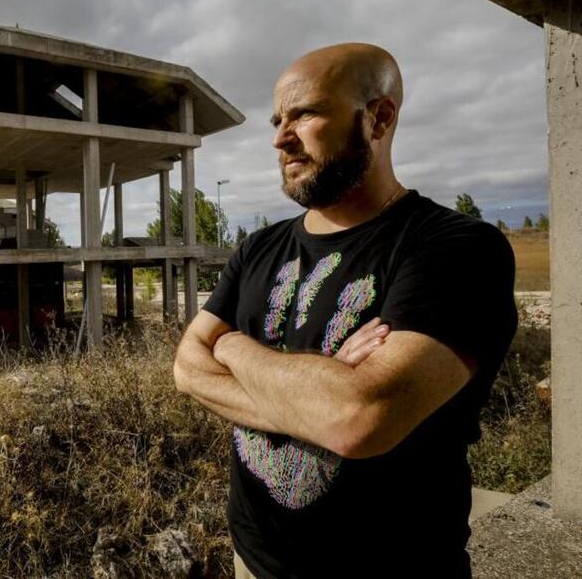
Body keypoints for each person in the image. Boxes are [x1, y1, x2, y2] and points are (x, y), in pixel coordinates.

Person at [173, 43, 517, 578]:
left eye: (305, 113)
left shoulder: (454, 247)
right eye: (277, 120)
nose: (280, 138)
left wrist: (232, 345)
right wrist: (317, 397)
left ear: (378, 118)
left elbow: (358, 419)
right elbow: (186, 369)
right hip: (253, 560)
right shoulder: (257, 248)